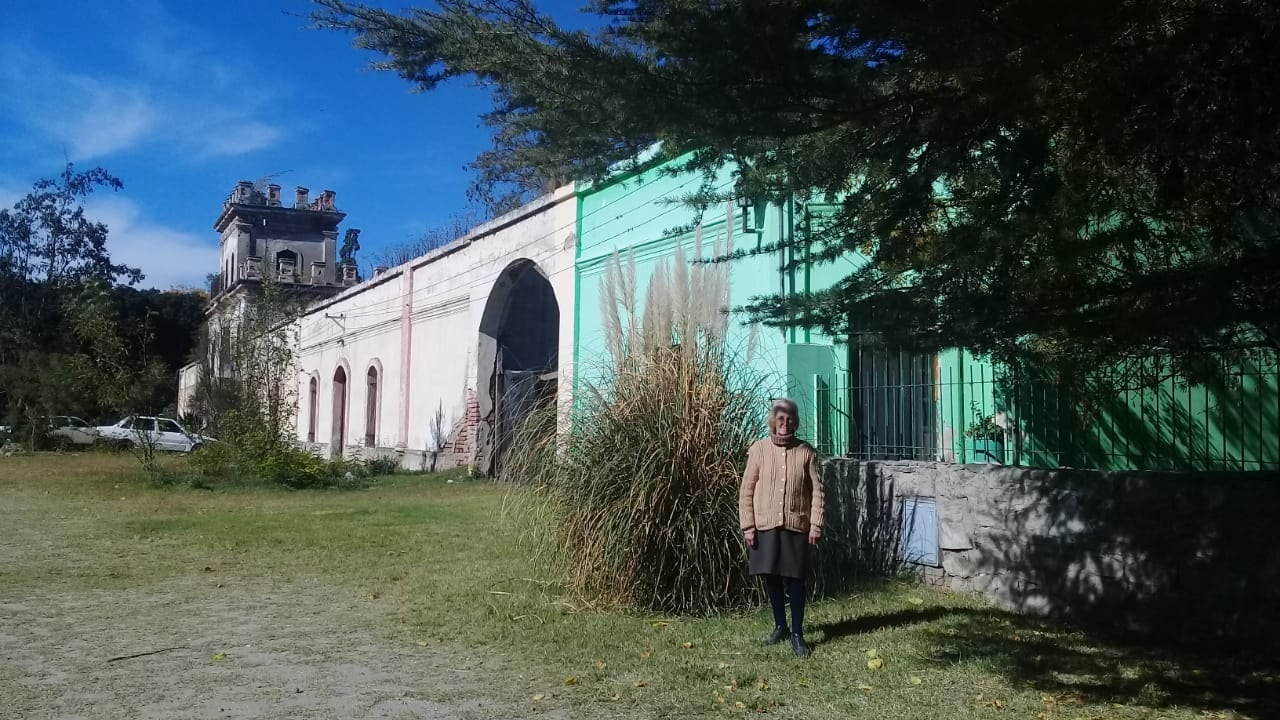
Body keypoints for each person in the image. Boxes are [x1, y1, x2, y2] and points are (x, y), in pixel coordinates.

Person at [739, 397, 825, 657]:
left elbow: (819, 492)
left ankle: (797, 634)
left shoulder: (806, 453)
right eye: (780, 419)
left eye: (789, 419)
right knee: (771, 578)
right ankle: (780, 626)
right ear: (772, 421)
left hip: (796, 527)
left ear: (795, 422)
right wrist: (748, 526)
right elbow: (746, 491)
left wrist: (815, 524)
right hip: (764, 526)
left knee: (795, 581)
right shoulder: (758, 450)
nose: (784, 424)